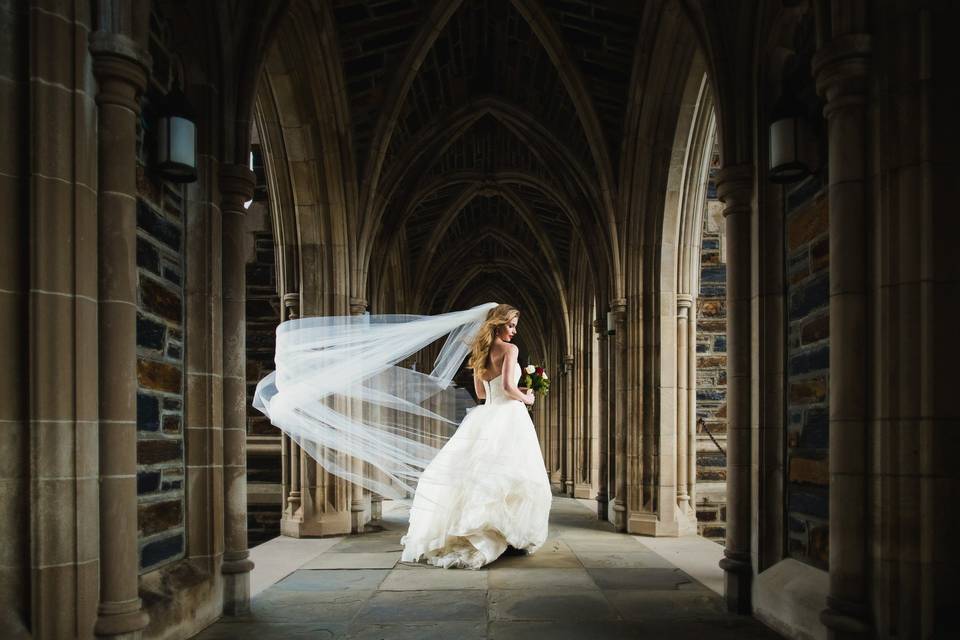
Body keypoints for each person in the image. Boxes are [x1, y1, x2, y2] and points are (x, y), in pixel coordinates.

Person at [400, 304, 553, 569]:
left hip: (486, 414)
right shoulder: (510, 350)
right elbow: (507, 387)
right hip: (509, 416)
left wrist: (510, 390)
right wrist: (526, 396)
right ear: (497, 323)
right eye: (511, 325)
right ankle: (505, 536)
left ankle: (484, 534)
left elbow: (482, 395)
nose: (514, 332)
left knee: (483, 475)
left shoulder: (480, 352)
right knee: (513, 475)